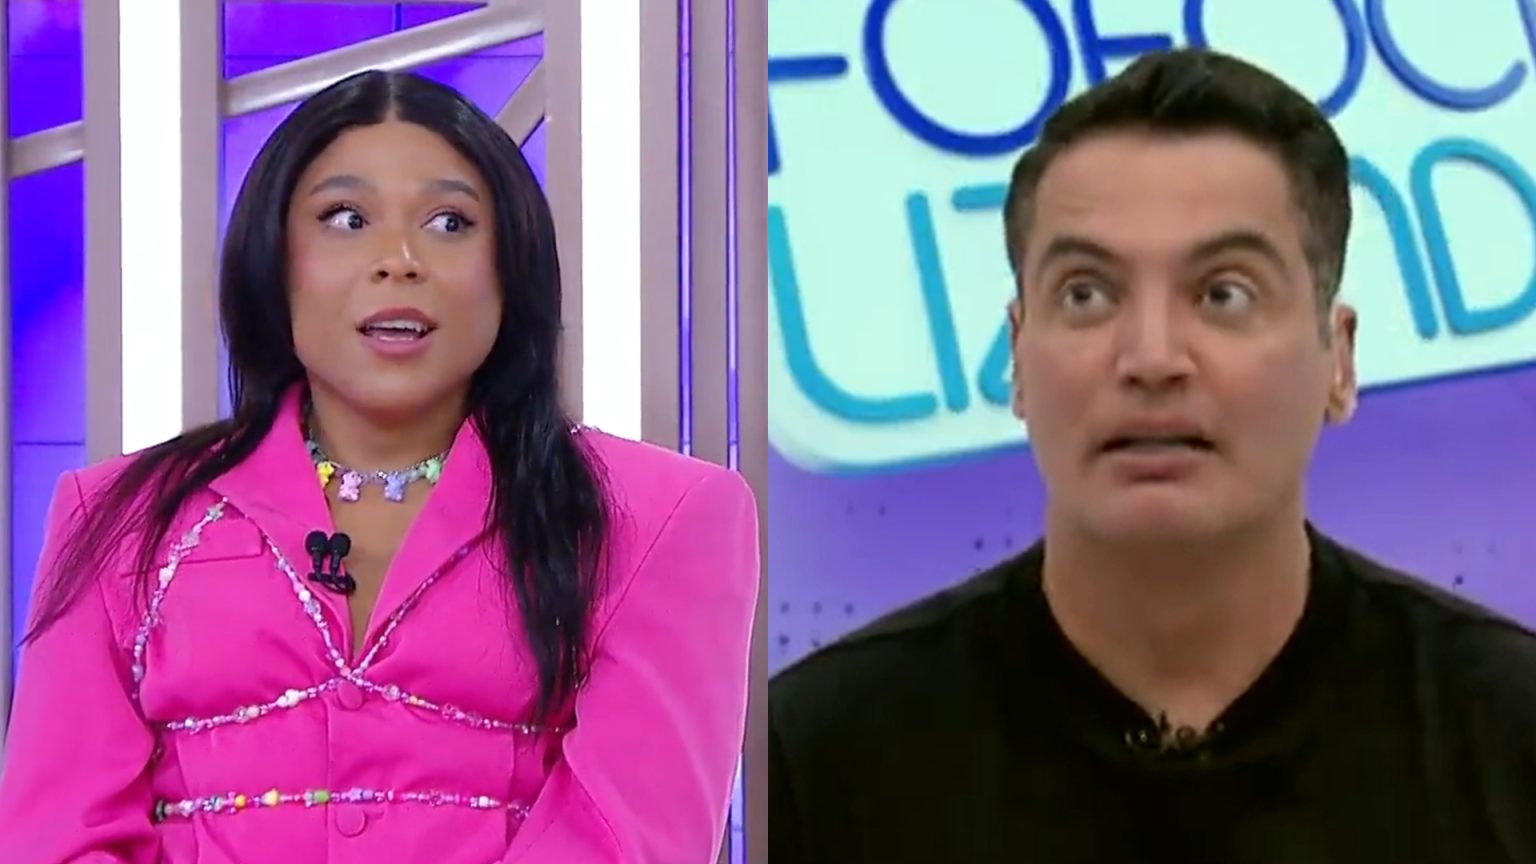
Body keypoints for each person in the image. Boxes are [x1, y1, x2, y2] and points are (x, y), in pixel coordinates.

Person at [768, 48, 1536, 864]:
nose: (1152, 358)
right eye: (1086, 293)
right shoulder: (810, 758)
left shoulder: (1509, 733)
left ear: (1338, 360)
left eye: (1224, 293)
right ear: (1018, 358)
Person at [0, 70, 758, 863]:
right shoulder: (119, 520)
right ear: (274, 260)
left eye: (450, 222)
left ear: (512, 268)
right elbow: (57, 841)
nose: (398, 261)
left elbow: (625, 842)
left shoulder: (659, 519)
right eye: (347, 218)